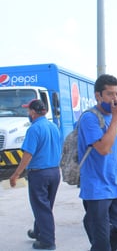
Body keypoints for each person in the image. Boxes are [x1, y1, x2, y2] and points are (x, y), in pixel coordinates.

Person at [77, 74, 117, 251]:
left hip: (114, 184)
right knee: (101, 243)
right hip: (96, 188)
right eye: (110, 94)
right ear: (98, 96)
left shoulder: (113, 117)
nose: (115, 99)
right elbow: (103, 149)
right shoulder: (90, 118)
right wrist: (116, 118)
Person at [9, 99, 61, 250]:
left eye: (28, 110)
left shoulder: (34, 129)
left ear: (32, 112)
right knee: (45, 205)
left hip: (40, 174)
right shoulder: (53, 127)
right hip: (54, 172)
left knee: (41, 207)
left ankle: (47, 241)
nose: (27, 113)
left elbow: (28, 154)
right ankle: (38, 231)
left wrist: (16, 174)